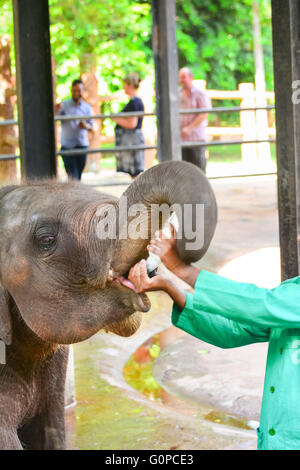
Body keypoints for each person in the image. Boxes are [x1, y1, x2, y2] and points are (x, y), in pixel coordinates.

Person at [128, 225, 300, 450]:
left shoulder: (287, 300)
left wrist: (182, 269)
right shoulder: (291, 292)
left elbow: (258, 304)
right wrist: (170, 287)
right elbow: (233, 331)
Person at [55, 78, 94, 181]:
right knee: (73, 176)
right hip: (68, 147)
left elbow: (92, 127)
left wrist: (85, 126)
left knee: (78, 176)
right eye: (75, 90)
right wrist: (55, 110)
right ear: (71, 91)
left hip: (82, 145)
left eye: (79, 90)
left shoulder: (87, 108)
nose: (77, 93)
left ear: (83, 91)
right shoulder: (64, 105)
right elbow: (54, 118)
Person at [179, 67, 211, 173]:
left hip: (196, 139)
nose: (181, 80)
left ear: (191, 78)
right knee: (184, 171)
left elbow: (204, 113)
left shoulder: (199, 94)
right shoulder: (178, 94)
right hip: (182, 140)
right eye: (180, 77)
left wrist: (189, 128)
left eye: (184, 77)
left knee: (198, 170)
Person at [112, 73, 145, 178]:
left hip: (132, 139)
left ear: (130, 85)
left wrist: (115, 118)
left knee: (135, 172)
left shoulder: (134, 102)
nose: (123, 87)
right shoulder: (134, 101)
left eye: (125, 84)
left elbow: (132, 124)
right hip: (131, 139)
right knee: (134, 173)